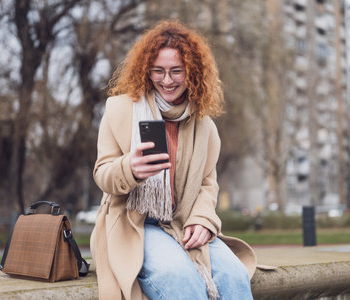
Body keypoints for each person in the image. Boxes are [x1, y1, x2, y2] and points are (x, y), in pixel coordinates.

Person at [90, 20, 256, 300]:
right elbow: (102, 174)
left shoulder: (204, 125)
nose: (167, 80)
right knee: (180, 279)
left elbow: (207, 184)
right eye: (158, 71)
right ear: (147, 70)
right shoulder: (119, 111)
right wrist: (129, 168)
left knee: (235, 275)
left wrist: (203, 220)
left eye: (176, 71)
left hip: (184, 223)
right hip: (137, 224)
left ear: (191, 72)